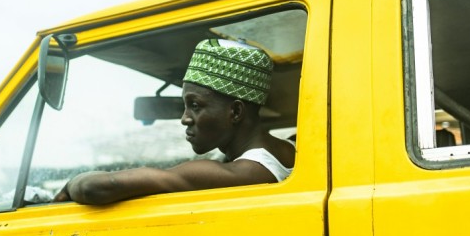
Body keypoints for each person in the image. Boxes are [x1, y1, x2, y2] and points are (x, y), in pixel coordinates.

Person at [54, 38, 295, 205]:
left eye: (195, 105)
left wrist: (70, 184)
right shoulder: (290, 150)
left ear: (235, 112)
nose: (184, 118)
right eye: (184, 106)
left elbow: (96, 187)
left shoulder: (245, 172)